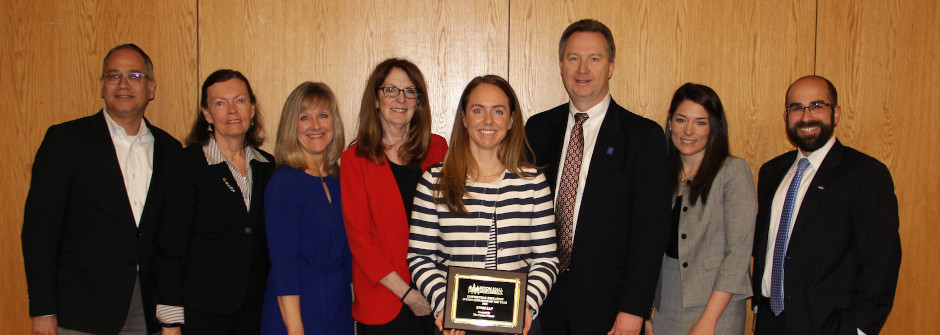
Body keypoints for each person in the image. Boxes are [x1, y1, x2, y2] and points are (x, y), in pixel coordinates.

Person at [21, 43, 182, 335]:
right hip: (80, 310)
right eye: (113, 75)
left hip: (146, 307)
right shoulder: (66, 141)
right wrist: (42, 309)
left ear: (151, 88)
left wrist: (169, 315)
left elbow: (170, 239)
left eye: (134, 76)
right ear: (102, 86)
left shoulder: (171, 150)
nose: (123, 84)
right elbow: (39, 232)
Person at [524, 19, 671, 335]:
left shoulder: (643, 137)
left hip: (607, 308)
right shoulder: (536, 130)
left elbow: (651, 233)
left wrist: (634, 309)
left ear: (611, 67)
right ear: (561, 65)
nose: (582, 69)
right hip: (539, 303)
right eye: (573, 58)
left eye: (594, 58)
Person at [408, 75, 559, 335]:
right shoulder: (434, 181)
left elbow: (546, 260)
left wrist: (527, 306)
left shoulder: (533, 182)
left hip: (518, 323)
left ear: (511, 120)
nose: (488, 121)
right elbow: (420, 258)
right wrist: (446, 306)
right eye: (478, 110)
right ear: (464, 118)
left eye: (498, 111)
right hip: (455, 326)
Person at [751, 75, 901, 335]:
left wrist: (859, 328)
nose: (806, 116)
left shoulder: (865, 173)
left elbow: (882, 261)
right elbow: (766, 245)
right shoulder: (771, 172)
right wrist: (757, 310)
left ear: (837, 113)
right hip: (770, 323)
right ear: (786, 116)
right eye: (797, 108)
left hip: (830, 325)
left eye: (817, 105)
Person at [154, 69, 275, 334]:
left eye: (240, 101)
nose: (232, 110)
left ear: (252, 109)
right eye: (220, 103)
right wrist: (170, 323)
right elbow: (170, 248)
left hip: (257, 310)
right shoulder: (186, 166)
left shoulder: (268, 166)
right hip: (203, 313)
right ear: (207, 114)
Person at [341, 58, 448, 334]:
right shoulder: (354, 160)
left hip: (436, 297)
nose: (401, 98)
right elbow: (360, 240)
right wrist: (407, 294)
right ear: (375, 99)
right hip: (384, 301)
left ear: (418, 102)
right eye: (390, 90)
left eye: (410, 91)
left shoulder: (438, 149)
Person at [647, 83, 755, 335]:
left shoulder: (733, 171)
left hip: (716, 308)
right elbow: (648, 247)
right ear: (670, 122)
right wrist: (646, 310)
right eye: (681, 119)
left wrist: (709, 320)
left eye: (700, 122)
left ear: (714, 127)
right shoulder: (661, 176)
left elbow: (738, 253)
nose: (688, 130)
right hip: (666, 306)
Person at [260, 82, 353, 334]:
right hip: (297, 309)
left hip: (338, 308)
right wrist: (295, 328)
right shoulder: (284, 183)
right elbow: (284, 265)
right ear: (293, 126)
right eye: (304, 117)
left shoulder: (340, 180)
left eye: (323, 115)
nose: (315, 125)